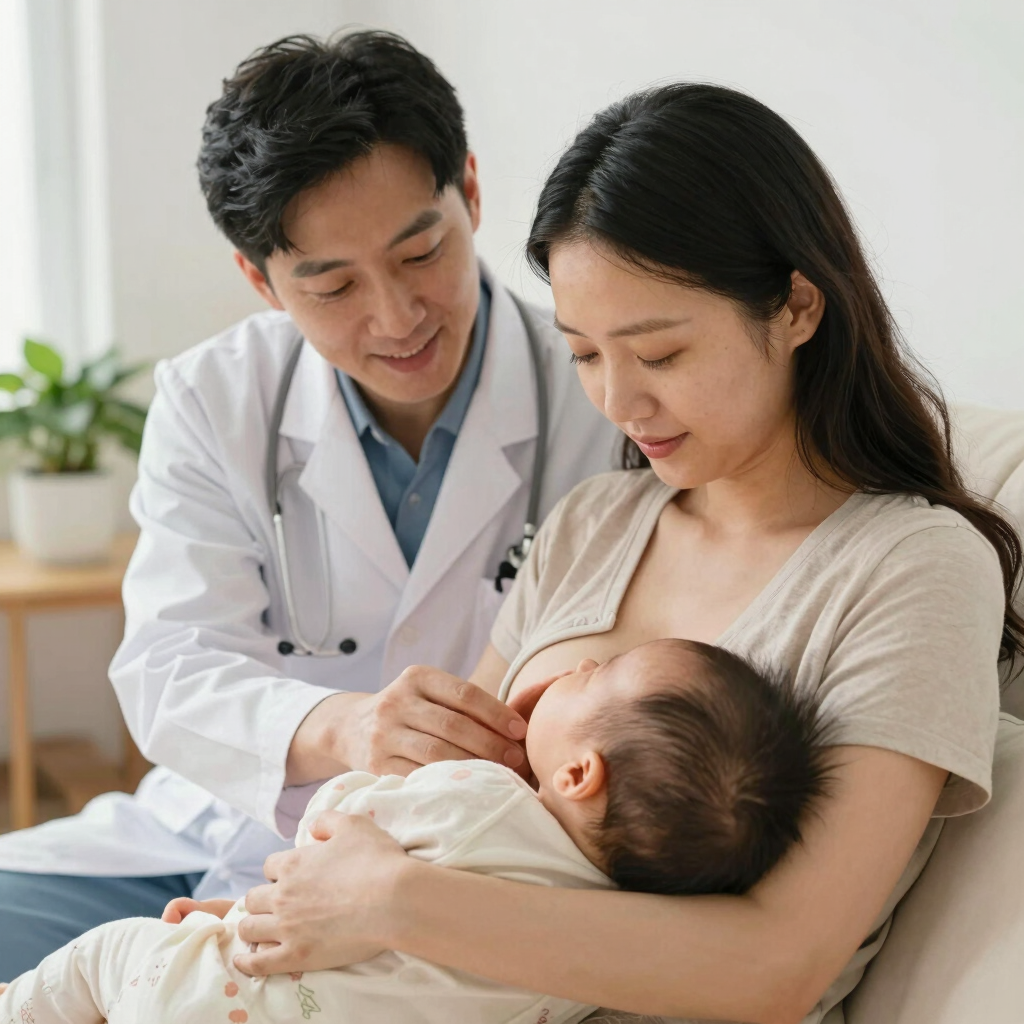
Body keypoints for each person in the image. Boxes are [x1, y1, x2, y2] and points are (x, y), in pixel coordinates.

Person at [228, 84, 1023, 1024]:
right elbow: (426, 813)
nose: (618, 403)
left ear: (797, 306)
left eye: (660, 354)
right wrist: (265, 932)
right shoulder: (595, 523)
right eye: (584, 354)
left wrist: (393, 903)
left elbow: (777, 967)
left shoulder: (913, 570)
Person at [0, 31, 619, 975]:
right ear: (260, 280)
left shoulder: (600, 394)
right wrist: (343, 726)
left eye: (422, 252)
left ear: (471, 193)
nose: (397, 317)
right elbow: (168, 667)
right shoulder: (215, 398)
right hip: (219, 828)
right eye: (331, 285)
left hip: (463, 864)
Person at [0, 639, 832, 1024]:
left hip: (217, 994)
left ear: (578, 774)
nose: (580, 663)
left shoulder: (482, 798)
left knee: (106, 956)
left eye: (599, 675)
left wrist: (235, 915)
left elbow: (336, 831)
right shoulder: (596, 946)